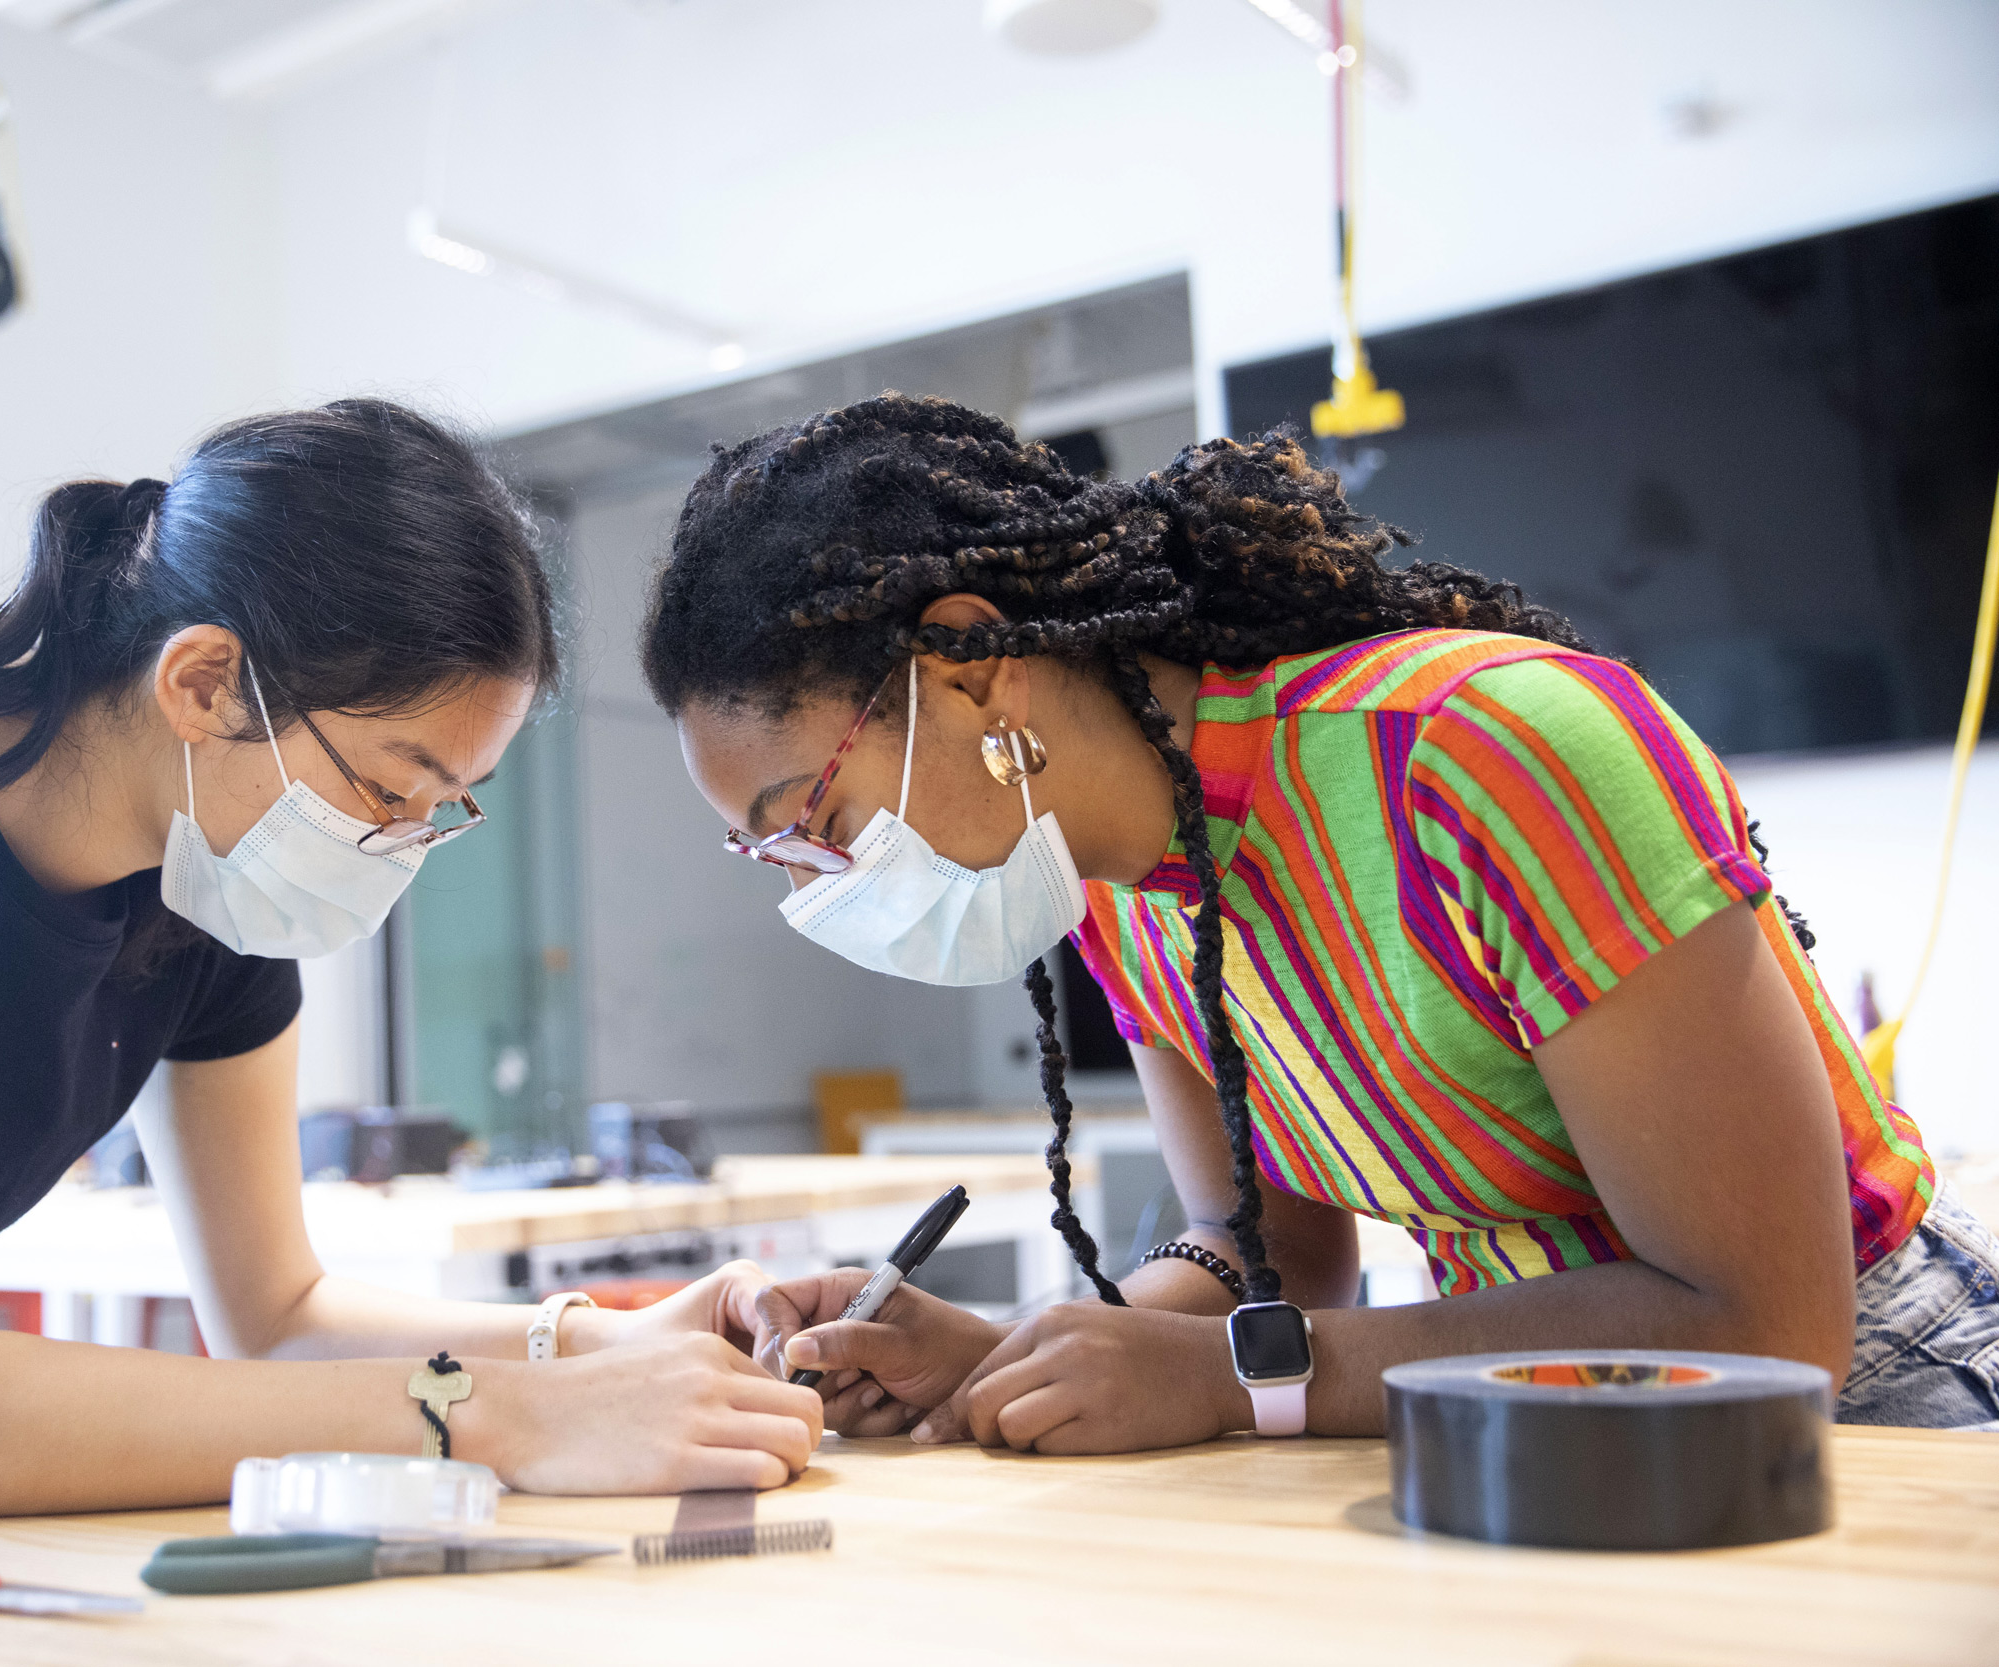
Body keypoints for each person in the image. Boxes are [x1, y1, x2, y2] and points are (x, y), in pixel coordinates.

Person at [0, 399, 819, 1543]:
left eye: (443, 809)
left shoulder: (197, 906)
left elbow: (279, 1312)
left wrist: (593, 1346)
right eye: (387, 788)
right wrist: (497, 1415)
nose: (398, 847)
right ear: (201, 682)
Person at [640, 392, 1999, 1451]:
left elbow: (1764, 1323)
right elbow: (1272, 1252)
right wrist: (1006, 1352)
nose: (818, 880)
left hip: (1872, 1396)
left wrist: (1240, 1378)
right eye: (770, 852)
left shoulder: (1484, 757)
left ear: (973, 658)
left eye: (810, 817)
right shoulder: (1109, 891)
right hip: (1521, 1397)